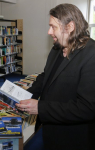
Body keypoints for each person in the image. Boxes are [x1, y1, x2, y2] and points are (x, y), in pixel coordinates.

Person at [16, 3, 95, 150]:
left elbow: (87, 108)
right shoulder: (57, 48)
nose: (49, 32)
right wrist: (26, 95)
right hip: (51, 129)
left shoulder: (91, 54)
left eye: (53, 27)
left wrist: (41, 108)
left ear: (70, 27)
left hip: (73, 136)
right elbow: (47, 75)